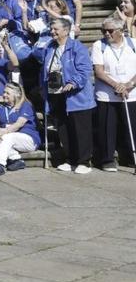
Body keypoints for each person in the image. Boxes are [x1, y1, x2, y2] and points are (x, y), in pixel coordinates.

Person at [43, 18, 95, 174]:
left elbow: (85, 69)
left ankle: (84, 161)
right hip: (57, 94)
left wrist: (73, 82)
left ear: (66, 31)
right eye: (51, 29)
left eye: (55, 29)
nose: (52, 31)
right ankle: (69, 158)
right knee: (64, 129)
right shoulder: (50, 47)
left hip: (76, 96)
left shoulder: (77, 47)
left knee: (81, 129)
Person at [91, 17, 136, 173]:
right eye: (103, 31)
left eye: (110, 31)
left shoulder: (133, 44)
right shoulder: (99, 45)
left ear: (121, 30)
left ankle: (131, 157)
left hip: (131, 93)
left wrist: (129, 85)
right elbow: (99, 71)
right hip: (107, 94)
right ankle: (107, 159)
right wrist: (116, 85)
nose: (106, 34)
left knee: (132, 127)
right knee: (106, 128)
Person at [0, 83, 40, 176]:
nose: (4, 95)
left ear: (17, 95)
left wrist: (3, 131)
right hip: (8, 137)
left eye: (8, 93)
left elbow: (19, 124)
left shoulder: (26, 105)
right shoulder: (0, 105)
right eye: (4, 92)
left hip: (29, 139)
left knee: (7, 136)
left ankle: (0, 164)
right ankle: (16, 159)